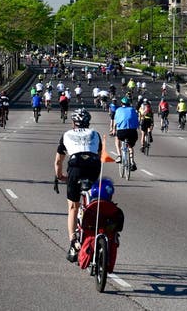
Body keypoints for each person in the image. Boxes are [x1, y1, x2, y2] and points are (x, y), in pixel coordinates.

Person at [54, 108, 102, 262]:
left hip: (75, 167)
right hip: (93, 167)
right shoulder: (95, 134)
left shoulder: (67, 134)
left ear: (73, 123)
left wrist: (60, 176)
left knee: (73, 206)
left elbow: (58, 161)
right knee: (93, 200)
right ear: (88, 123)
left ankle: (73, 241)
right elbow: (100, 155)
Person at [113, 96, 139, 171]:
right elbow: (137, 121)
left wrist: (113, 130)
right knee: (130, 146)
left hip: (122, 131)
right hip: (132, 131)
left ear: (121, 104)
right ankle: (132, 161)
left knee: (117, 138)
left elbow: (115, 122)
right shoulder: (132, 110)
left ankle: (119, 156)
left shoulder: (118, 110)